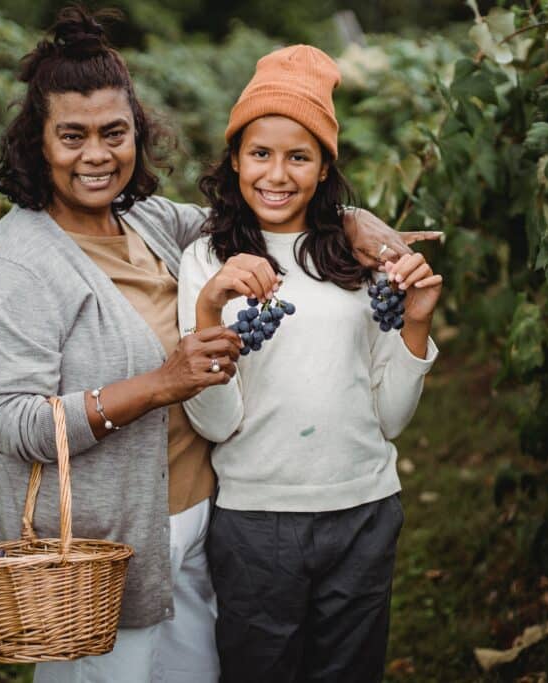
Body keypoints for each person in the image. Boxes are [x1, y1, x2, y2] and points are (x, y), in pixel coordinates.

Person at [0, 7, 436, 681]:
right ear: (36, 143)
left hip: (196, 520)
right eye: (72, 136)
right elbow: (13, 422)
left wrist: (350, 216)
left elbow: (264, 208)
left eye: (114, 133)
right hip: (106, 543)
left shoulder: (149, 221)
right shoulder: (18, 265)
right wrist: (161, 383)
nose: (96, 154)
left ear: (137, 135)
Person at [177, 45, 443, 682]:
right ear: (235, 159)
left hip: (365, 509)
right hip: (255, 518)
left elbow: (391, 418)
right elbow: (216, 424)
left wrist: (417, 323)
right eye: (260, 153)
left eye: (299, 156)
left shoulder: (361, 262)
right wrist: (211, 313)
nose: (277, 173)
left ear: (324, 168)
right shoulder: (209, 261)